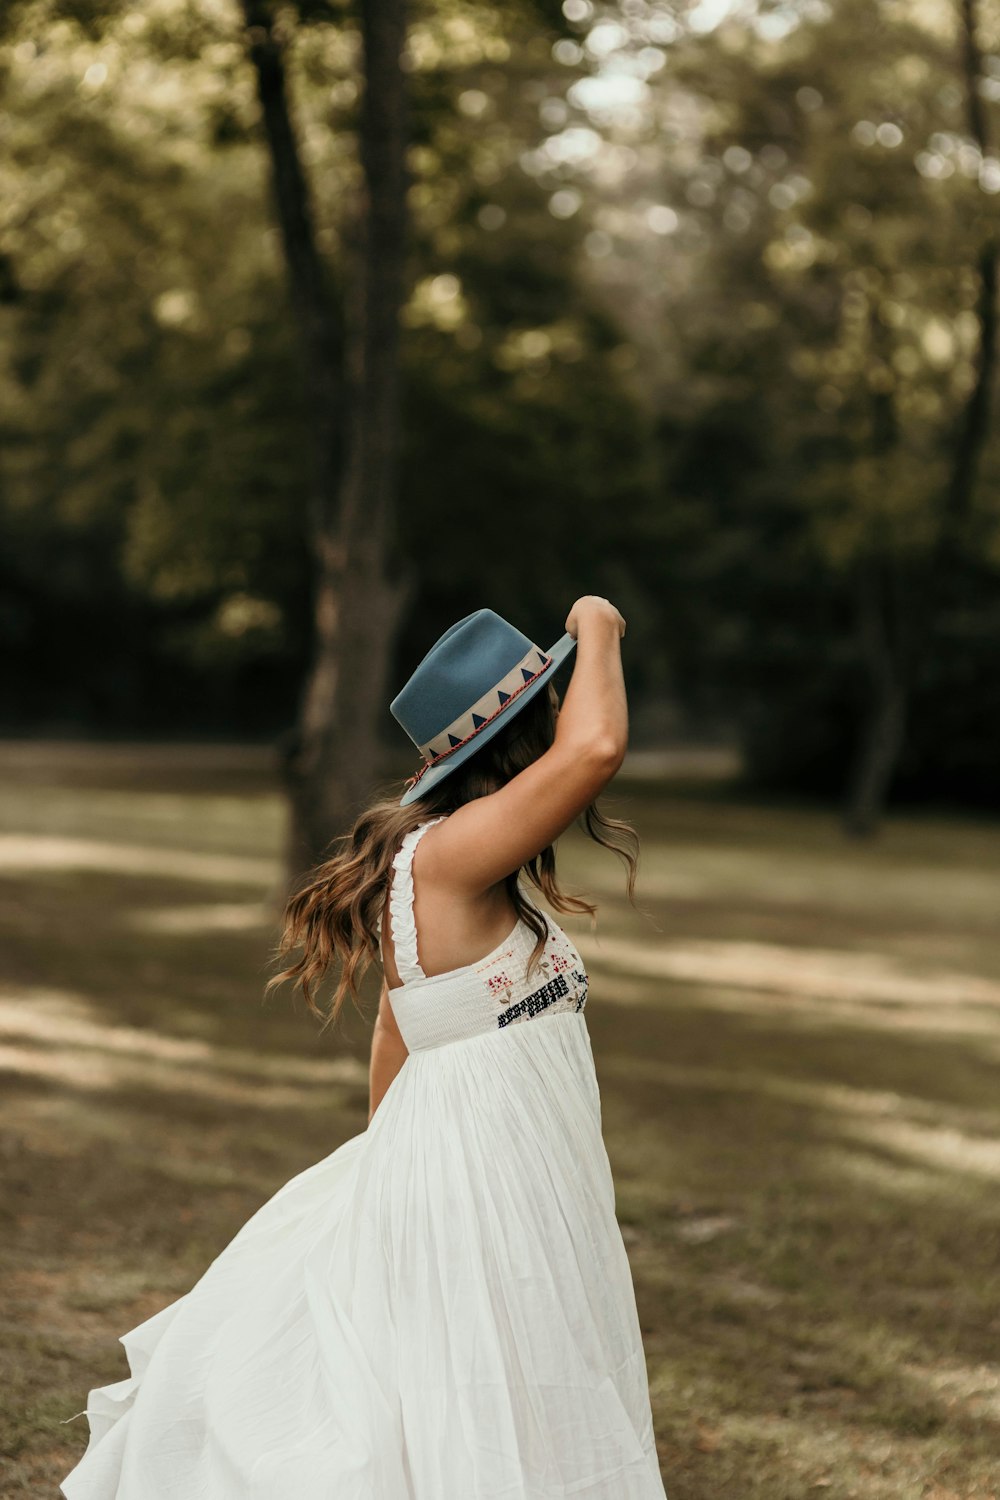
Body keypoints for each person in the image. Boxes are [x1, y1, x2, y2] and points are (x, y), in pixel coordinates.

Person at [61, 596, 669, 1499]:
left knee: (507, 1379)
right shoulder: (452, 853)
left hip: (513, 1161)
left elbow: (399, 1022)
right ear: (519, 733)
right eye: (545, 705)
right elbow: (595, 749)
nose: (558, 719)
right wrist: (598, 626)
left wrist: (382, 1157)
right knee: (468, 1389)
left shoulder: (461, 855)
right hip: (484, 1166)